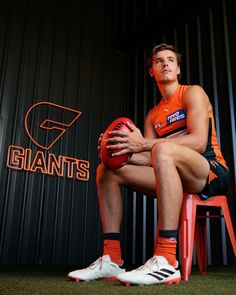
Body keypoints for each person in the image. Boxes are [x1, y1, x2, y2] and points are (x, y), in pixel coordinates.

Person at [67, 43, 229, 285]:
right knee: (107, 170)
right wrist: (117, 148)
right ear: (151, 71)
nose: (165, 64)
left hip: (209, 171)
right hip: (171, 171)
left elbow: (197, 142)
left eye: (171, 60)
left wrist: (142, 144)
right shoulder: (153, 115)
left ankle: (166, 259)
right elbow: (148, 157)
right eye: (159, 61)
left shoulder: (192, 92)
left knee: (161, 148)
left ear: (178, 70)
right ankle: (112, 257)